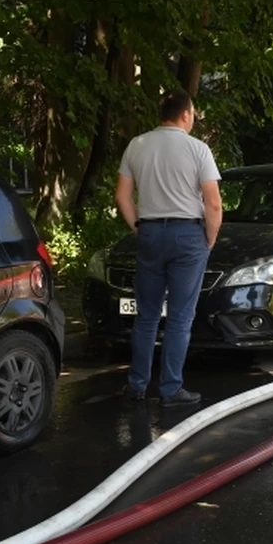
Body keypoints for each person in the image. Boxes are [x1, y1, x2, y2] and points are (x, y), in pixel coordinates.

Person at [114, 89, 223, 407]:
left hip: (149, 232)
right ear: (186, 114)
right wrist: (209, 239)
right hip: (188, 235)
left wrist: (138, 226)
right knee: (179, 318)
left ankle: (136, 385)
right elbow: (213, 203)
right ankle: (171, 389)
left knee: (146, 317)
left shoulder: (137, 145)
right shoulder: (198, 149)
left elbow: (122, 196)